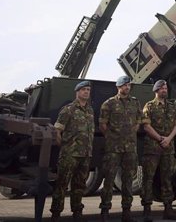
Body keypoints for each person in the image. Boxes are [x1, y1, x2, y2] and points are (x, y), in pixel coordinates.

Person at [98, 75, 142, 222]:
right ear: (118, 87)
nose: (127, 87)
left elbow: (138, 122)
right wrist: (113, 137)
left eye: (129, 85)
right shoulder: (108, 104)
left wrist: (130, 133)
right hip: (113, 148)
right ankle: (105, 211)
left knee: (128, 180)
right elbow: (103, 125)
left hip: (130, 148)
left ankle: (126, 212)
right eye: (124, 85)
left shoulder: (135, 103)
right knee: (109, 180)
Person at [50, 80, 95, 222]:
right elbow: (57, 131)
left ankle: (77, 212)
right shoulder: (68, 109)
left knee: (80, 185)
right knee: (62, 184)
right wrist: (64, 148)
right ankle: (56, 214)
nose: (86, 92)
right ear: (77, 92)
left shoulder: (90, 110)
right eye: (84, 90)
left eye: (88, 90)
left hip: (85, 154)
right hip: (70, 155)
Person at [141, 79, 176, 221]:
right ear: (156, 90)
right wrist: (159, 138)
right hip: (153, 148)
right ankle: (146, 210)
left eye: (166, 88)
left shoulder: (172, 106)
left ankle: (168, 209)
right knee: (148, 179)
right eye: (162, 88)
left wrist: (168, 139)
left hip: (168, 148)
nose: (165, 90)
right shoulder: (149, 106)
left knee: (167, 178)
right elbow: (146, 126)